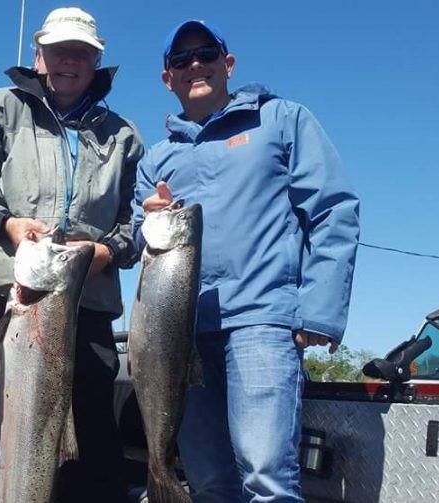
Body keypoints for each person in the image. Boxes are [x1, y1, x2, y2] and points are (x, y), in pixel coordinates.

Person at [132, 19, 360, 503]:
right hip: (180, 336)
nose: (195, 64)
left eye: (207, 53)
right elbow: (138, 234)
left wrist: (319, 310)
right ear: (167, 78)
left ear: (228, 63)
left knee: (266, 478)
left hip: (261, 322)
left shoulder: (282, 119)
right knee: (210, 482)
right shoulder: (155, 159)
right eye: (181, 59)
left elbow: (334, 209)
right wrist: (146, 220)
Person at [0, 7, 143, 502]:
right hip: (8, 298)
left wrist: (106, 250)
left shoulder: (123, 134)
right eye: (59, 50)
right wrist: (8, 223)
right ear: (38, 55)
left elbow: (134, 224)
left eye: (81, 53)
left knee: (89, 442)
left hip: (88, 308)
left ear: (96, 61)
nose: (69, 61)